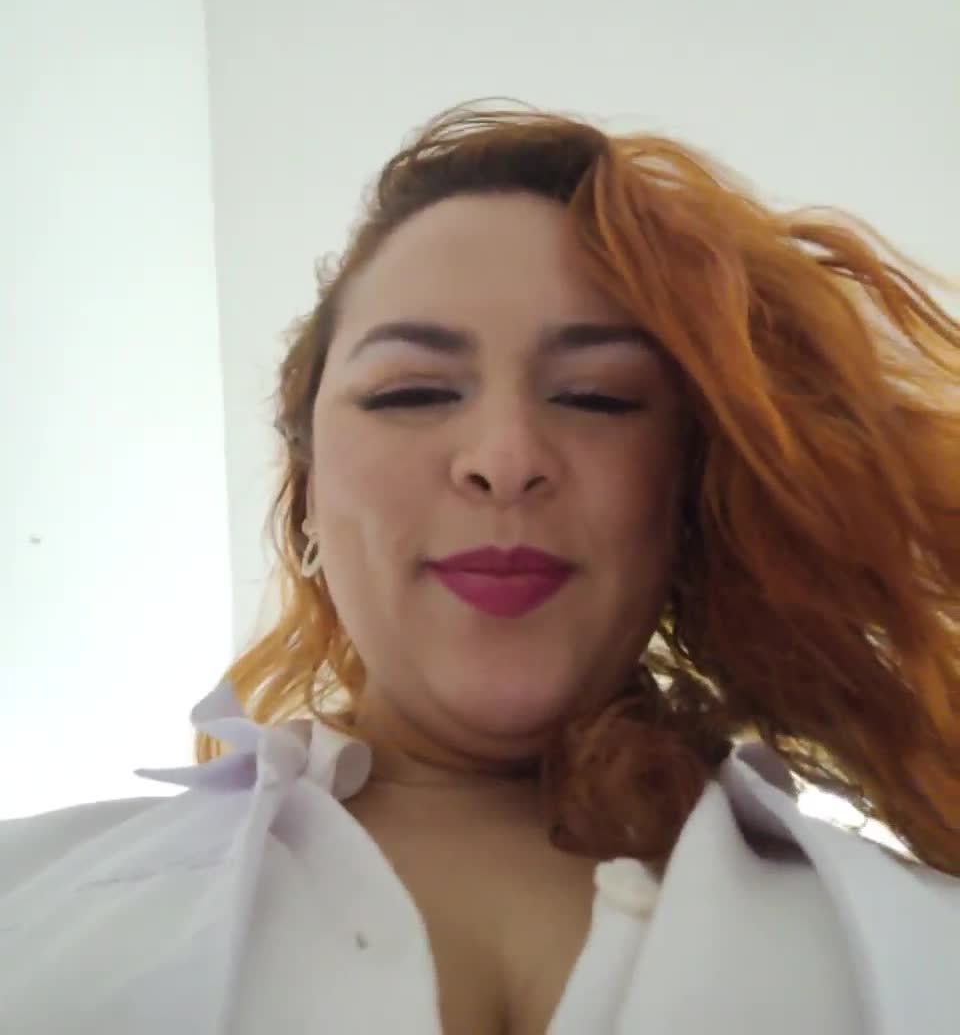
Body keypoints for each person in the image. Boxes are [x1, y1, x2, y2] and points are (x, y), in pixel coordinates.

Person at [2, 103, 959, 1035]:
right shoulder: (29, 902)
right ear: (307, 495)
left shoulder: (923, 938)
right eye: (412, 392)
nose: (506, 458)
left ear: (687, 499)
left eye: (598, 397)